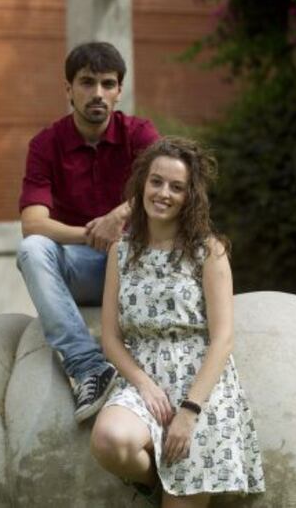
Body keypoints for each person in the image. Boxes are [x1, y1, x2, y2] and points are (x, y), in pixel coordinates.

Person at [90, 137, 265, 507]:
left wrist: (189, 411)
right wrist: (144, 385)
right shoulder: (120, 253)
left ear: (190, 196)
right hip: (144, 379)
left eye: (177, 187)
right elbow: (111, 338)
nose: (163, 193)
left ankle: (182, 482)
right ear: (142, 185)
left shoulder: (208, 251)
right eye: (156, 181)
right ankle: (158, 479)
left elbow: (223, 340)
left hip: (201, 388)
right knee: (108, 440)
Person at [16, 41, 159, 423]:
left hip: (135, 266)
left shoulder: (140, 134)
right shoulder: (46, 145)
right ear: (69, 89)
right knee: (32, 249)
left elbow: (173, 189)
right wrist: (92, 233)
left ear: (118, 90)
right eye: (86, 82)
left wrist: (121, 214)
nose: (97, 93)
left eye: (107, 83)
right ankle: (87, 366)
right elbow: (33, 222)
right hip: (84, 268)